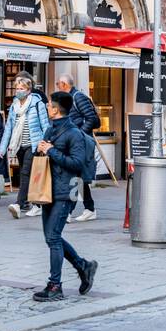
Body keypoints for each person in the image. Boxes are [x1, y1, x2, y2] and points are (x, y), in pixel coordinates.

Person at [32, 90, 98, 302]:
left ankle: (55, 286)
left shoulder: (73, 133)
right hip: (48, 188)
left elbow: (76, 163)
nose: (47, 107)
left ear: (56, 108)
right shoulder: (51, 128)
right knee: (52, 237)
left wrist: (50, 150)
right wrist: (41, 149)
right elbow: (45, 154)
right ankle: (83, 266)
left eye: (49, 104)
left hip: (67, 189)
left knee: (53, 237)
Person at [0, 73, 49, 219]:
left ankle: (18, 204)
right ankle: (37, 205)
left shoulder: (37, 103)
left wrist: (45, 144)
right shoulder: (14, 105)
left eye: (21, 88)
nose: (18, 91)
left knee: (26, 173)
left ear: (28, 90)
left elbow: (45, 125)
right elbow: (9, 127)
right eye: (17, 88)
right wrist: (2, 148)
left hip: (33, 145)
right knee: (27, 174)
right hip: (19, 145)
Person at [57, 74, 101, 223]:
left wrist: (79, 134)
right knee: (79, 176)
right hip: (74, 142)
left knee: (74, 176)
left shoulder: (78, 97)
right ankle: (89, 209)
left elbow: (91, 118)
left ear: (64, 85)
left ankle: (68, 211)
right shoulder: (69, 99)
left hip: (80, 143)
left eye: (58, 84)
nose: (57, 86)